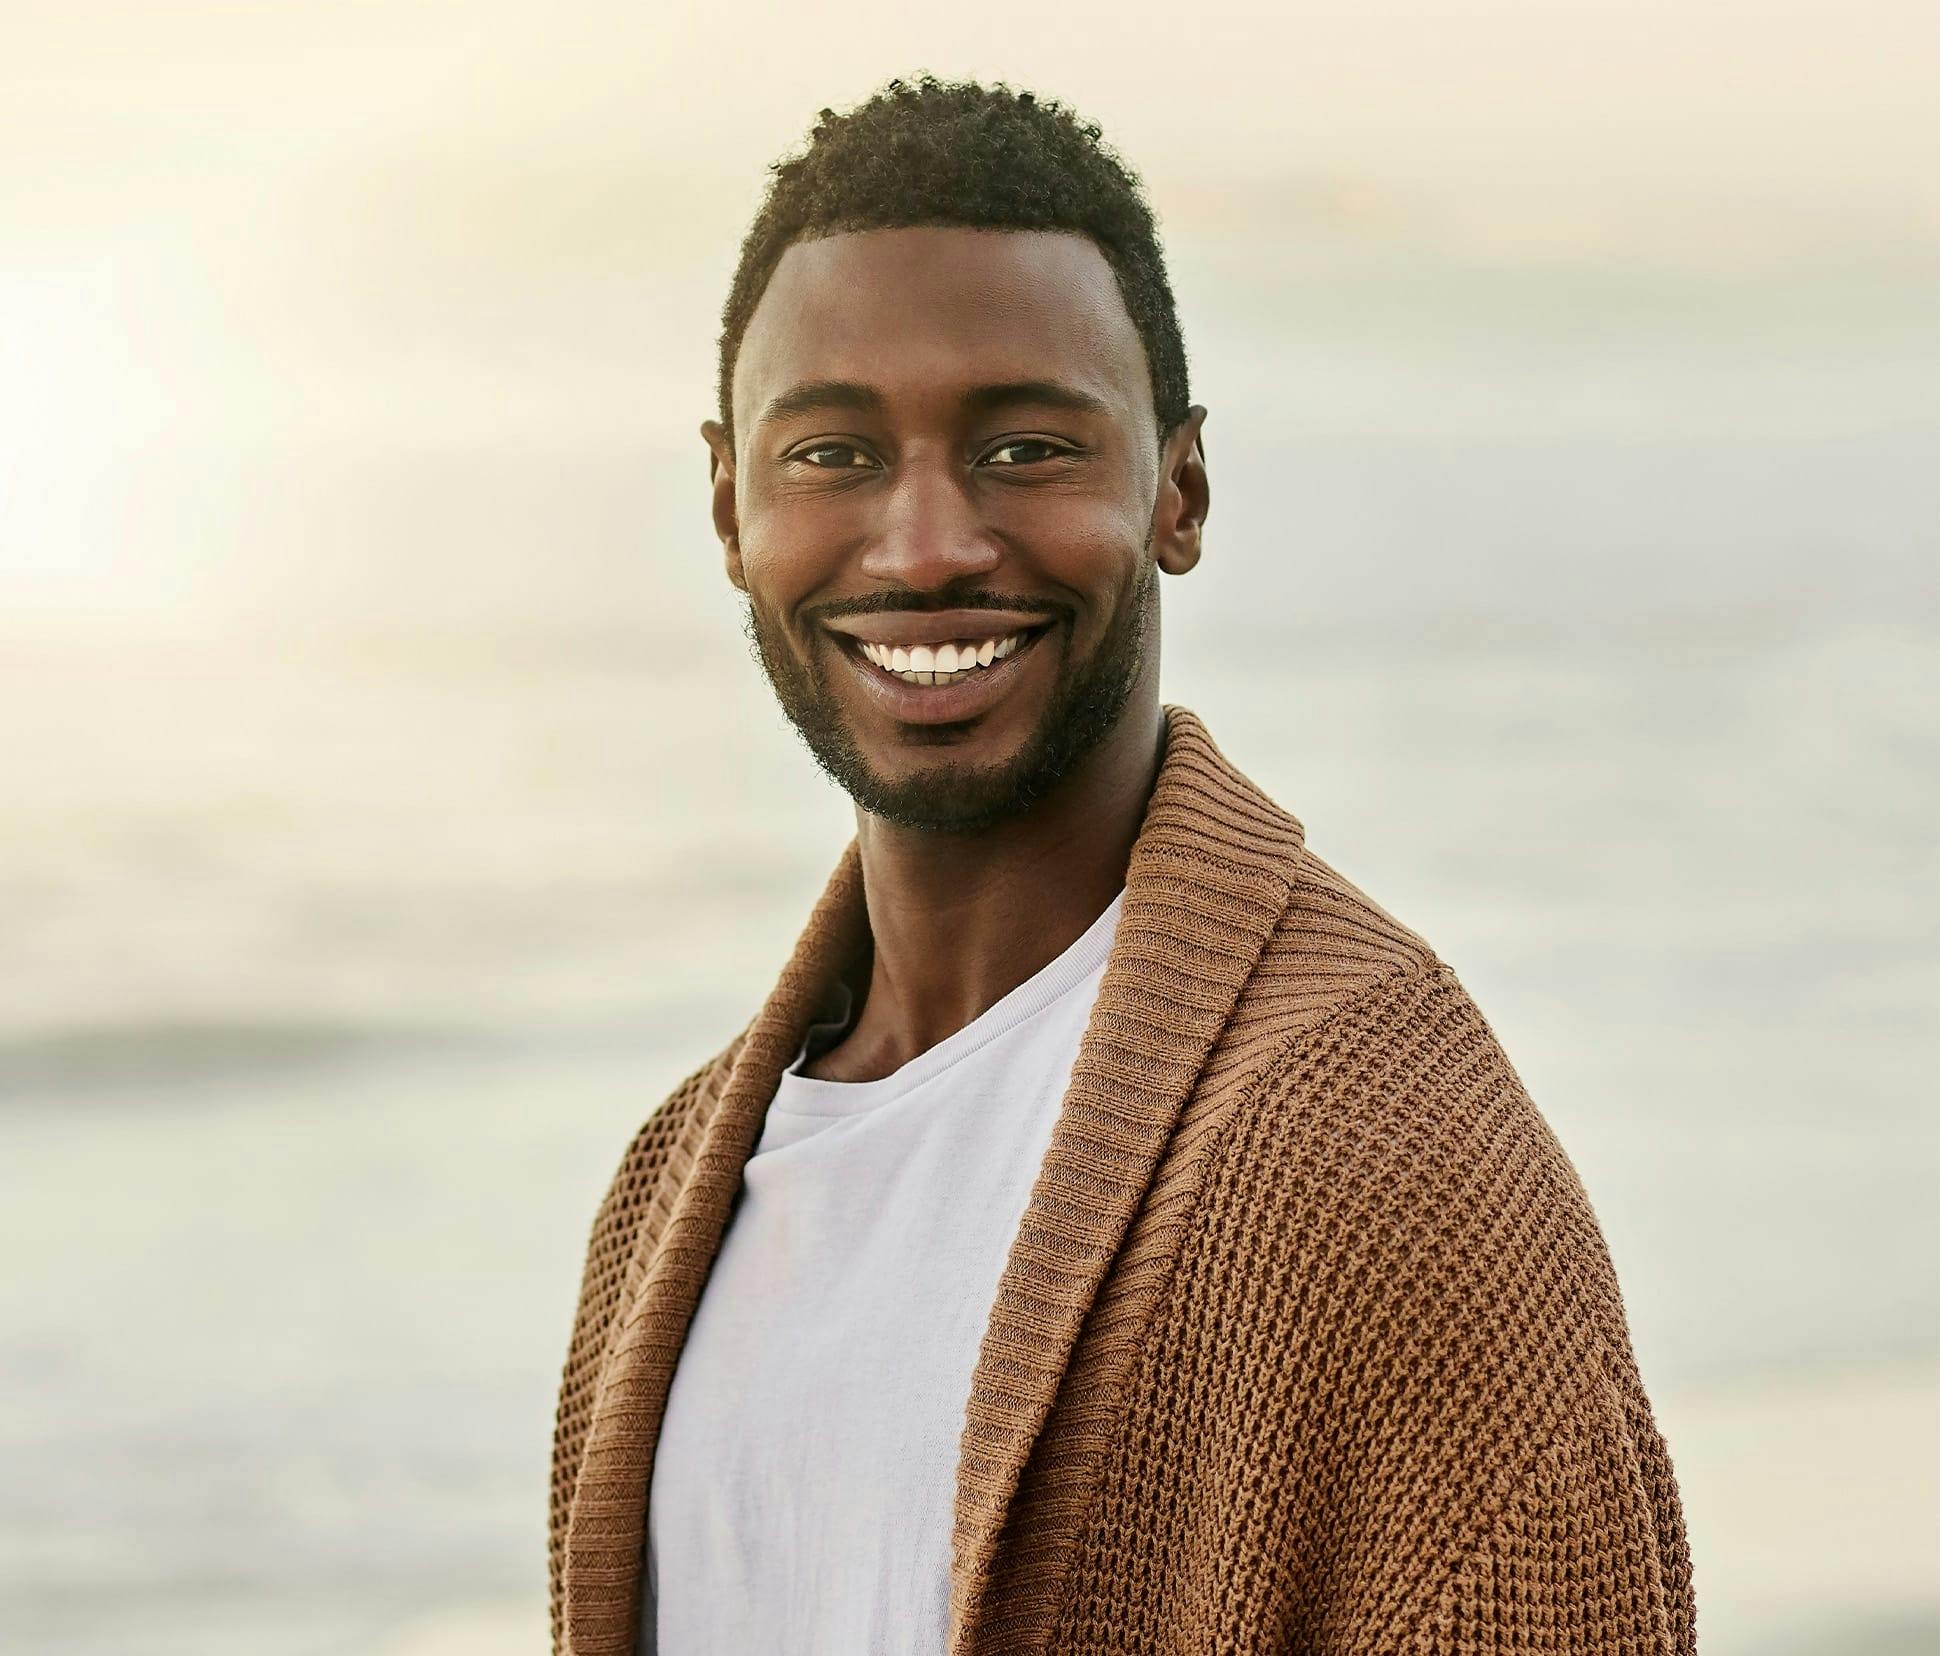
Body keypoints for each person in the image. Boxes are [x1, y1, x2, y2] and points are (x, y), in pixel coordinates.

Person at [548, 75, 1696, 1656]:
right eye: (831, 453)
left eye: (1025, 447)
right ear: (728, 503)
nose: (927, 543)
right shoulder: (671, 1195)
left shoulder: (1384, 1157)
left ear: (1179, 488)